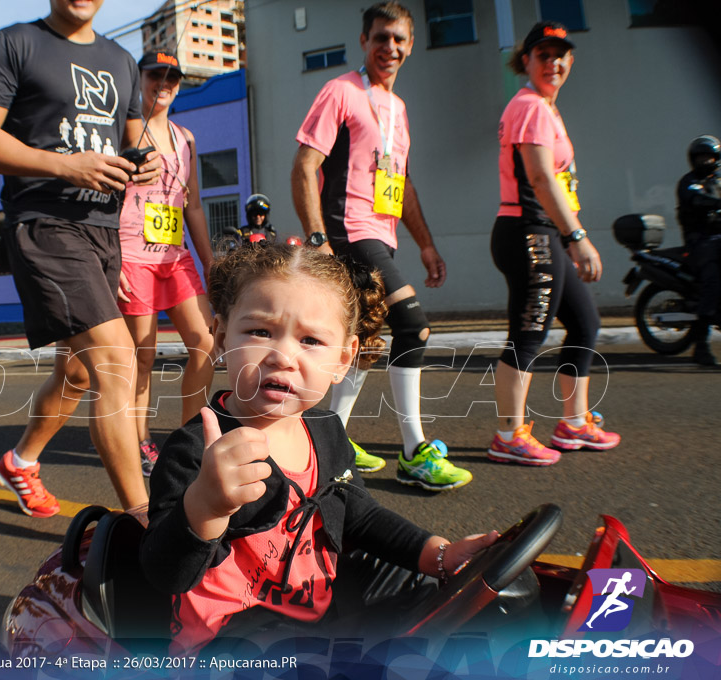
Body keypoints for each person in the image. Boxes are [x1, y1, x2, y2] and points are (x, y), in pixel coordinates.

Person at [139, 243, 498, 650]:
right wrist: (205, 506)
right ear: (222, 336)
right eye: (260, 332)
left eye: (310, 340)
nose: (283, 357)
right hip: (231, 638)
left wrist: (440, 554)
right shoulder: (197, 449)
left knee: (471, 603)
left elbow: (358, 517)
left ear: (343, 359)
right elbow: (163, 573)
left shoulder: (327, 430)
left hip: (318, 613)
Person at [0, 0, 161, 516]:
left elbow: (133, 140)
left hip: (103, 231)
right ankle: (144, 526)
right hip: (45, 223)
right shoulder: (15, 44)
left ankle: (20, 461)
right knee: (116, 360)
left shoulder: (120, 60)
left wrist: (145, 164)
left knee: (76, 372)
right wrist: (65, 167)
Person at [290, 1, 471, 490]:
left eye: (399, 39)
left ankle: (330, 443)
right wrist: (317, 239)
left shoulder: (399, 109)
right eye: (380, 38)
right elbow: (305, 166)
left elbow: (402, 184)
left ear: (410, 46)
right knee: (413, 323)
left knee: (364, 341)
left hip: (381, 234)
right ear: (364, 43)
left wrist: (427, 246)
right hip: (347, 230)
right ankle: (414, 451)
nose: (389, 47)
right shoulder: (341, 92)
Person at [487, 21, 620, 465]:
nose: (554, 62)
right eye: (543, 55)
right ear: (526, 60)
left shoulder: (546, 107)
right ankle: (509, 434)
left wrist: (567, 236)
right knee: (529, 334)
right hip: (528, 231)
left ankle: (574, 422)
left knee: (584, 323)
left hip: (545, 233)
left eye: (561, 55)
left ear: (571, 60)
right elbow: (542, 178)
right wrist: (577, 237)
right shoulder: (530, 106)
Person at [117, 52, 216, 475]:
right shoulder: (125, 127)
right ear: (140, 79)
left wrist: (210, 263)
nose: (164, 82)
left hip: (175, 257)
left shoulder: (186, 138)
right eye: (155, 74)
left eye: (172, 76)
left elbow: (192, 205)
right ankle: (139, 441)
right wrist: (111, 259)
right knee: (143, 354)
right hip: (132, 254)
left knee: (207, 342)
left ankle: (189, 437)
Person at [676, 134, 721, 367]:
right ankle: (701, 345)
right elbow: (696, 198)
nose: (706, 161)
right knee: (713, 279)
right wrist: (713, 203)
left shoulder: (719, 182)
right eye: (701, 157)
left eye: (710, 157)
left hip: (717, 238)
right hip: (700, 241)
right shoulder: (689, 181)